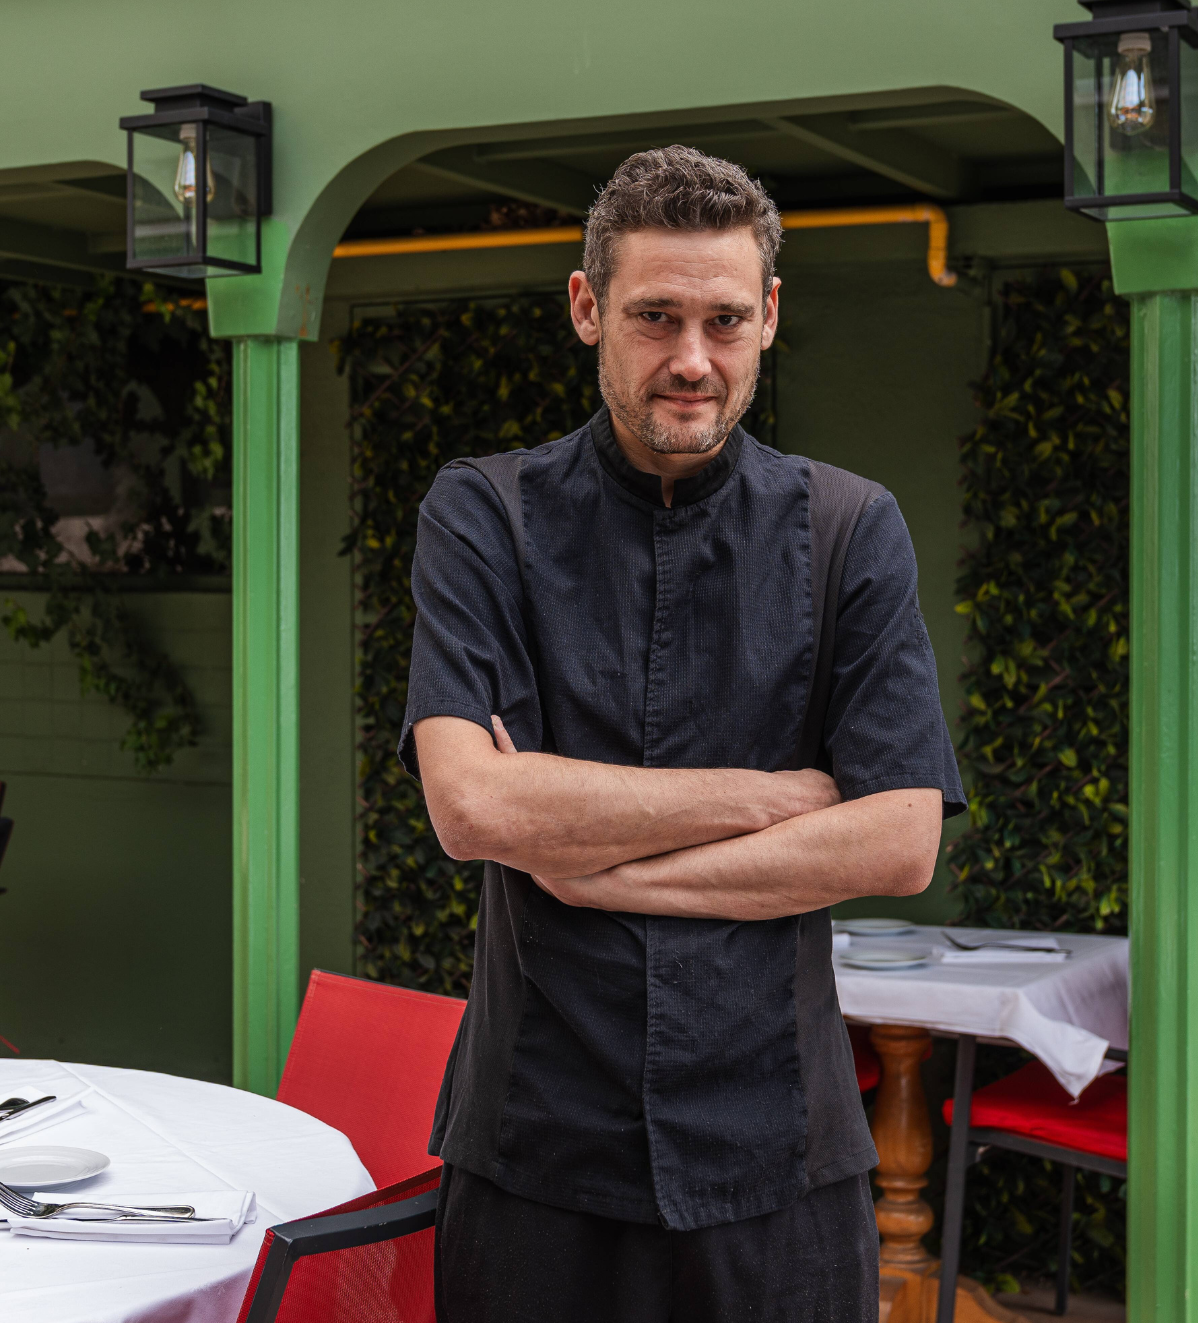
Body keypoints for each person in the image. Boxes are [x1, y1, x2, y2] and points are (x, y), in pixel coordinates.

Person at [402, 145, 965, 1323]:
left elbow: (899, 840)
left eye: (722, 320)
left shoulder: (851, 528)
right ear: (587, 307)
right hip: (535, 1153)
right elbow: (474, 809)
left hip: (777, 1162)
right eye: (655, 318)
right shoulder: (484, 513)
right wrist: (777, 799)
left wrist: (592, 864)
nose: (691, 361)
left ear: (767, 317)